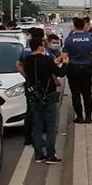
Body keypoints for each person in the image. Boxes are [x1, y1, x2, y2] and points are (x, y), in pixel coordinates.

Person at [23, 35, 68, 164]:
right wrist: (65, 64)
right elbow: (60, 73)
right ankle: (50, 155)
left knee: (36, 126)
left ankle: (38, 155)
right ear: (40, 46)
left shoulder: (28, 61)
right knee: (50, 127)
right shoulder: (47, 59)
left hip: (34, 97)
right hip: (48, 96)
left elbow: (40, 69)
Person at [63, 17, 92, 124]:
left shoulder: (69, 40)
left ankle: (79, 117)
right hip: (86, 69)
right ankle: (88, 117)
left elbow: (64, 57)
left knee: (76, 94)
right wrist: (88, 58)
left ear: (74, 27)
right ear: (84, 26)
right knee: (87, 94)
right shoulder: (90, 39)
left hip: (73, 69)